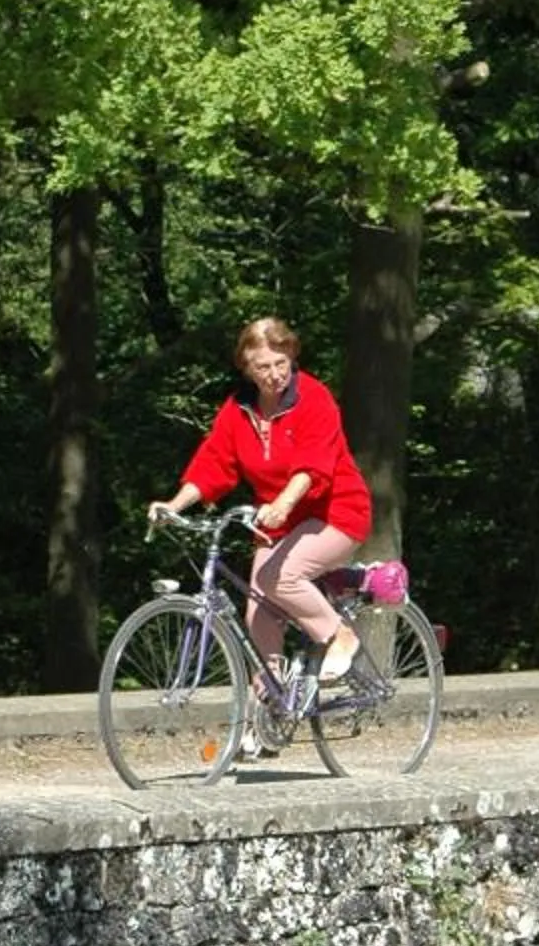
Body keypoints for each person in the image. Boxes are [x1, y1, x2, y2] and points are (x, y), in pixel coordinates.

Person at [148, 317, 372, 750]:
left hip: (336, 512)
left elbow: (313, 466)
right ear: (246, 369)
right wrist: (173, 506)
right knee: (258, 611)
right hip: (278, 521)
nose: (274, 374)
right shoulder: (239, 411)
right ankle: (272, 705)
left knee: (280, 580)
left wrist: (285, 502)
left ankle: (340, 636)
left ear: (292, 356)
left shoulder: (315, 399)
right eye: (262, 367)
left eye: (280, 362)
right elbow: (214, 463)